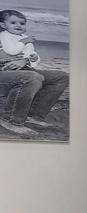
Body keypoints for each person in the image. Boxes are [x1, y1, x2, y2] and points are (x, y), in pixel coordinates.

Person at [0, 9, 68, 139]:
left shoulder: (21, 38)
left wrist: (28, 59)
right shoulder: (4, 36)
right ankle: (11, 119)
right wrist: (23, 45)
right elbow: (11, 51)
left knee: (61, 77)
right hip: (4, 72)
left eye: (22, 23)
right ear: (3, 24)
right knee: (32, 77)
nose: (18, 25)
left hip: (23, 69)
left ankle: (33, 115)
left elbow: (33, 57)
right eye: (13, 22)